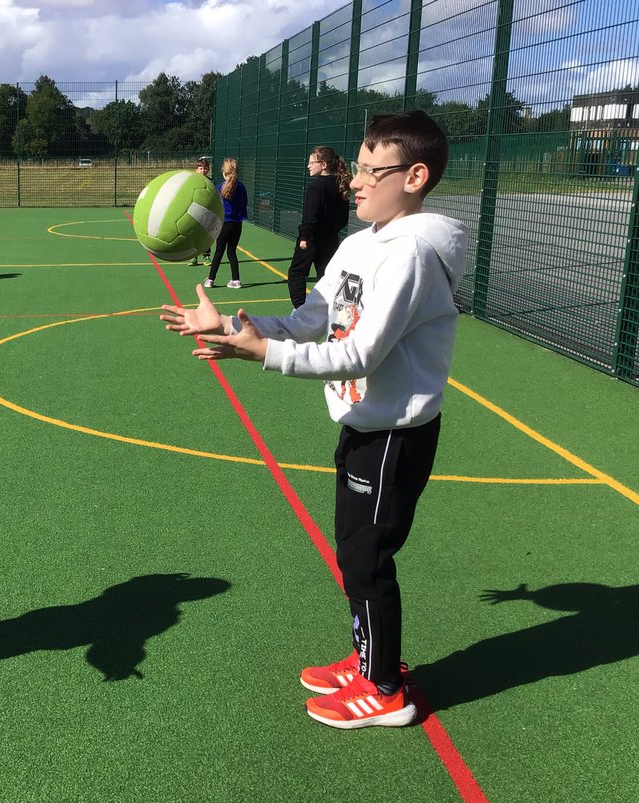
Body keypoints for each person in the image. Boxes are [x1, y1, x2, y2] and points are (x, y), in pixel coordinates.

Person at [160, 110, 467, 730]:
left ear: (414, 177)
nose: (355, 181)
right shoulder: (359, 244)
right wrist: (233, 326)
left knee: (367, 559)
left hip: (395, 434)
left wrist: (262, 354)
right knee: (353, 551)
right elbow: (310, 321)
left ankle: (385, 690)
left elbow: (360, 354)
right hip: (363, 423)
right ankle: (369, 659)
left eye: (371, 171)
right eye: (357, 166)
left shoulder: (411, 254)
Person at [288, 146, 351, 308]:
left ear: (323, 164)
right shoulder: (340, 185)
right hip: (330, 239)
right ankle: (328, 309)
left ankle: (300, 309)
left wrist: (304, 236)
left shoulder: (316, 187)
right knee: (326, 275)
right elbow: (343, 218)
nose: (308, 166)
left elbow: (310, 216)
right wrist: (332, 231)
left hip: (311, 239)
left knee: (296, 273)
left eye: (312, 163)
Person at [204, 158, 248, 290]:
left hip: (224, 224)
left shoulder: (218, 188)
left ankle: (210, 280)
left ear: (224, 172)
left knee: (219, 252)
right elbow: (244, 204)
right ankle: (236, 280)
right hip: (237, 225)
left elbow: (214, 206)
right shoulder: (242, 188)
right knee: (231, 252)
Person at [188, 157, 212, 267]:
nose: (203, 171)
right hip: (193, 212)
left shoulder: (211, 182)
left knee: (206, 235)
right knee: (193, 234)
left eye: (205, 168)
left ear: (208, 170)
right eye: (201, 168)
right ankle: (194, 256)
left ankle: (206, 256)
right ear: (196, 170)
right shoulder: (192, 182)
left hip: (207, 213)